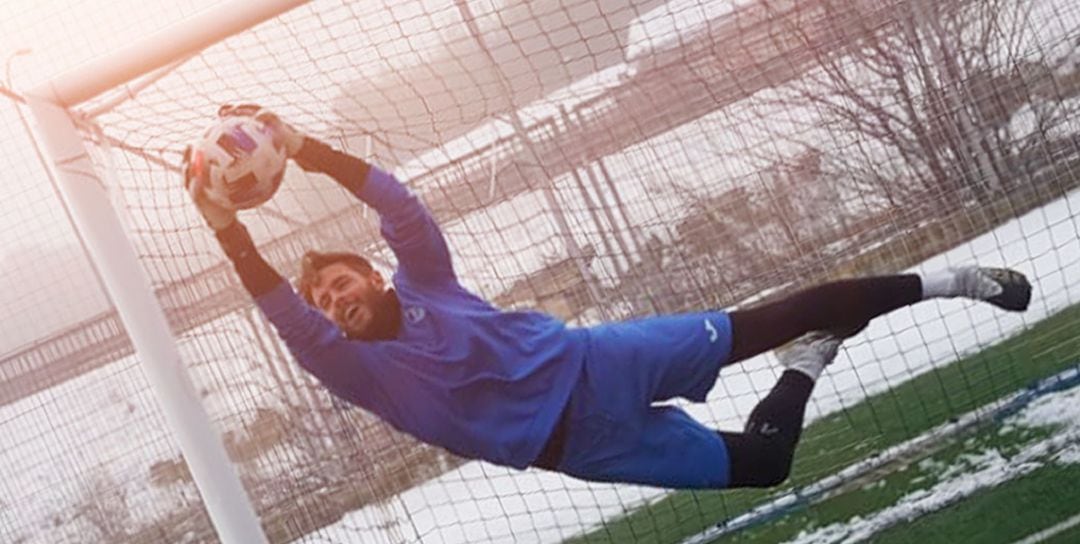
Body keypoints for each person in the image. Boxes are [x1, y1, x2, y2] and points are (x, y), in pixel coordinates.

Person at [184, 105, 1032, 490]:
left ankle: (956, 281)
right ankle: (807, 368)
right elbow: (281, 314)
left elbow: (398, 206)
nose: (331, 300)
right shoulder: (361, 373)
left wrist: (302, 146)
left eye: (339, 282)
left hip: (599, 364)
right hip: (576, 449)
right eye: (323, 301)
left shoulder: (427, 282)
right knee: (764, 467)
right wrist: (228, 229)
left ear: (370, 275)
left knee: (786, 307)